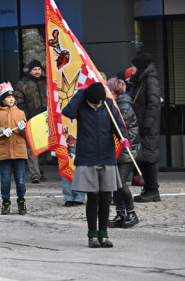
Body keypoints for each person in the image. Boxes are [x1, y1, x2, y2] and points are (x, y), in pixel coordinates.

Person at [63, 82, 130, 248]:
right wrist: (81, 94)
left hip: (107, 157)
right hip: (88, 158)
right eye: (94, 103)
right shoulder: (81, 106)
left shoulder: (107, 105)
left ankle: (104, 235)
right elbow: (67, 112)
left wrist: (122, 136)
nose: (97, 105)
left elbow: (118, 125)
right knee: (93, 198)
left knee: (106, 198)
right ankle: (92, 235)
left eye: (99, 102)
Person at [0, 82, 28, 215]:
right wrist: (2, 130)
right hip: (3, 152)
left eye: (13, 97)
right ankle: (6, 202)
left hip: (19, 151)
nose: (11, 99)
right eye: (8, 97)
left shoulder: (21, 113)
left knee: (20, 180)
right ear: (2, 99)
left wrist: (23, 129)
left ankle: (21, 200)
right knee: (5, 181)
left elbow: (25, 133)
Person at [107, 77, 140, 228]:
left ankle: (131, 213)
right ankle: (120, 213)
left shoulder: (123, 107)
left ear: (113, 91)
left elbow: (123, 130)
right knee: (116, 184)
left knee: (121, 183)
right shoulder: (115, 105)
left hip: (126, 151)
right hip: (118, 151)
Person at [129, 53, 161, 202]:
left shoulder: (150, 80)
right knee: (142, 157)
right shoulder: (140, 80)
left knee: (149, 157)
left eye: (134, 65)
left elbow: (153, 104)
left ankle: (153, 190)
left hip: (147, 126)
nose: (131, 68)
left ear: (140, 66)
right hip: (141, 124)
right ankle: (148, 189)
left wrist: (146, 125)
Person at [14, 60, 48, 183]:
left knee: (45, 146)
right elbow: (19, 101)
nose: (37, 71)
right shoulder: (22, 84)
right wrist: (26, 116)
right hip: (31, 118)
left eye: (39, 69)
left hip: (45, 118)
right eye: (34, 69)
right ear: (30, 70)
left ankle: (41, 170)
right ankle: (35, 173)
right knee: (31, 147)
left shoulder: (46, 81)